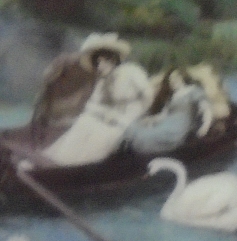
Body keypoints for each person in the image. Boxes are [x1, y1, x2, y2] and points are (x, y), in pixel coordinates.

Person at [40, 33, 156, 167]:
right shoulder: (102, 81)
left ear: (113, 60)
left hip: (128, 120)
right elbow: (92, 105)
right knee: (85, 121)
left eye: (105, 61)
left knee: (101, 134)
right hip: (108, 119)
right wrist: (102, 114)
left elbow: (148, 96)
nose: (101, 66)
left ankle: (77, 165)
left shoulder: (132, 71)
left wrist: (139, 116)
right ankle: (57, 162)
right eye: (98, 62)